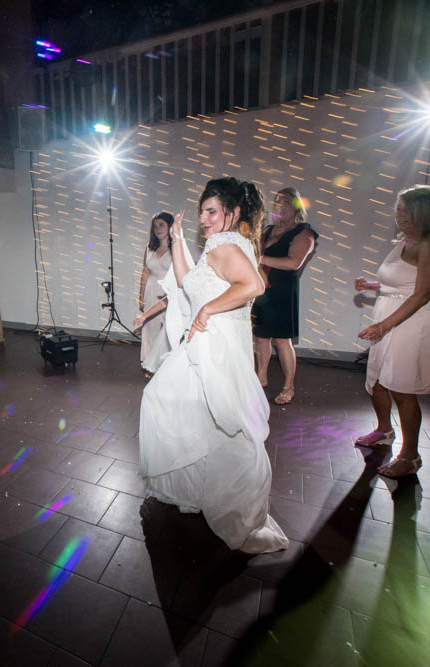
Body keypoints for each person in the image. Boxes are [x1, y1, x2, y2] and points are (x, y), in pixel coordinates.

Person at [138, 177, 288, 554]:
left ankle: (234, 502)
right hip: (208, 342)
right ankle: (200, 490)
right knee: (196, 414)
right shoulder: (223, 246)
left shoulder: (224, 244)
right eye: (202, 211)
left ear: (232, 213)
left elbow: (252, 285)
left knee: (220, 421)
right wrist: (175, 240)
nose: (204, 219)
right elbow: (189, 282)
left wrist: (206, 309)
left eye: (212, 211)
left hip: (216, 344)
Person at [354, 185, 430, 478]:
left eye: (403, 210)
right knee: (378, 380)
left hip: (415, 321)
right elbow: (402, 283)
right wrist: (373, 285)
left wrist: (384, 325)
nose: (397, 215)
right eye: (397, 209)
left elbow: (422, 293)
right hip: (390, 314)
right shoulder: (405, 241)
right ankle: (384, 431)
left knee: (403, 388)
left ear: (423, 212)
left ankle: (410, 456)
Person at [252, 187, 318, 405]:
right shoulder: (268, 230)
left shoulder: (304, 233)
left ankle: (288, 387)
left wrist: (260, 259)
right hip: (262, 291)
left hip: (282, 291)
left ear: (297, 207)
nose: (280, 206)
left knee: (282, 340)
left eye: (286, 203)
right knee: (261, 337)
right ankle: (260, 378)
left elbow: (293, 263)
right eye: (277, 202)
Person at [136, 212, 174, 375]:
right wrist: (141, 295)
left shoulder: (175, 248)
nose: (158, 229)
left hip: (167, 293)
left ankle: (164, 364)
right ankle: (148, 362)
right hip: (151, 290)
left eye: (162, 225)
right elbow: (145, 272)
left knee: (166, 329)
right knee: (149, 328)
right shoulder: (150, 247)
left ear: (170, 226)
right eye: (155, 225)